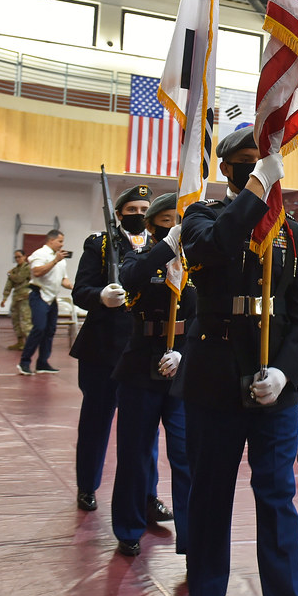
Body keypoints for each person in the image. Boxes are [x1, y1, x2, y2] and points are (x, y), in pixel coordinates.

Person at [179, 128, 298, 596]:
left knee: (277, 497)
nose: (256, 168)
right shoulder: (200, 216)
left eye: (264, 161)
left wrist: (286, 372)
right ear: (226, 165)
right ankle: (206, 593)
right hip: (215, 375)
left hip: (273, 384)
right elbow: (216, 246)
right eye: (247, 162)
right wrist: (257, 187)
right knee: (210, 492)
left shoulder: (290, 231)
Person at [69, 184, 165, 517]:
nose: (138, 215)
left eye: (144, 211)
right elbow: (80, 291)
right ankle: (87, 485)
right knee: (96, 419)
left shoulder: (158, 246)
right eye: (132, 210)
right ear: (119, 212)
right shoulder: (100, 245)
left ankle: (148, 494)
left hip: (141, 348)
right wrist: (100, 297)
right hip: (103, 348)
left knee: (144, 428)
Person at [113, 192, 193, 557]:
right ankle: (129, 527)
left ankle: (192, 535)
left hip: (182, 368)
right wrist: (168, 247)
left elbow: (206, 313)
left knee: (186, 456)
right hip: (140, 367)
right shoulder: (140, 253)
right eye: (167, 221)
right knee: (134, 453)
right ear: (154, 225)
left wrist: (186, 353)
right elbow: (130, 277)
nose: (174, 225)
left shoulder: (199, 261)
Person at [18, 229, 73, 375]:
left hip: (52, 297)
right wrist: (55, 260)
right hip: (39, 295)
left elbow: (63, 279)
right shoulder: (39, 254)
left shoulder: (60, 259)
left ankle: (42, 362)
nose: (62, 244)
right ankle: (24, 361)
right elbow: (37, 272)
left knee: (50, 330)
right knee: (39, 328)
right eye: (60, 241)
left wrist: (74, 286)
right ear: (51, 240)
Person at [1, 250, 32, 351]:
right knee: (16, 321)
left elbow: (19, 278)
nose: (18, 259)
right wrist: (5, 298)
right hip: (16, 298)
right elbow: (8, 285)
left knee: (26, 321)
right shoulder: (14, 270)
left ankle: (29, 343)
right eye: (16, 257)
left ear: (24, 257)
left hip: (25, 298)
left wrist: (10, 275)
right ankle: (20, 342)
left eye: (19, 257)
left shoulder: (28, 268)